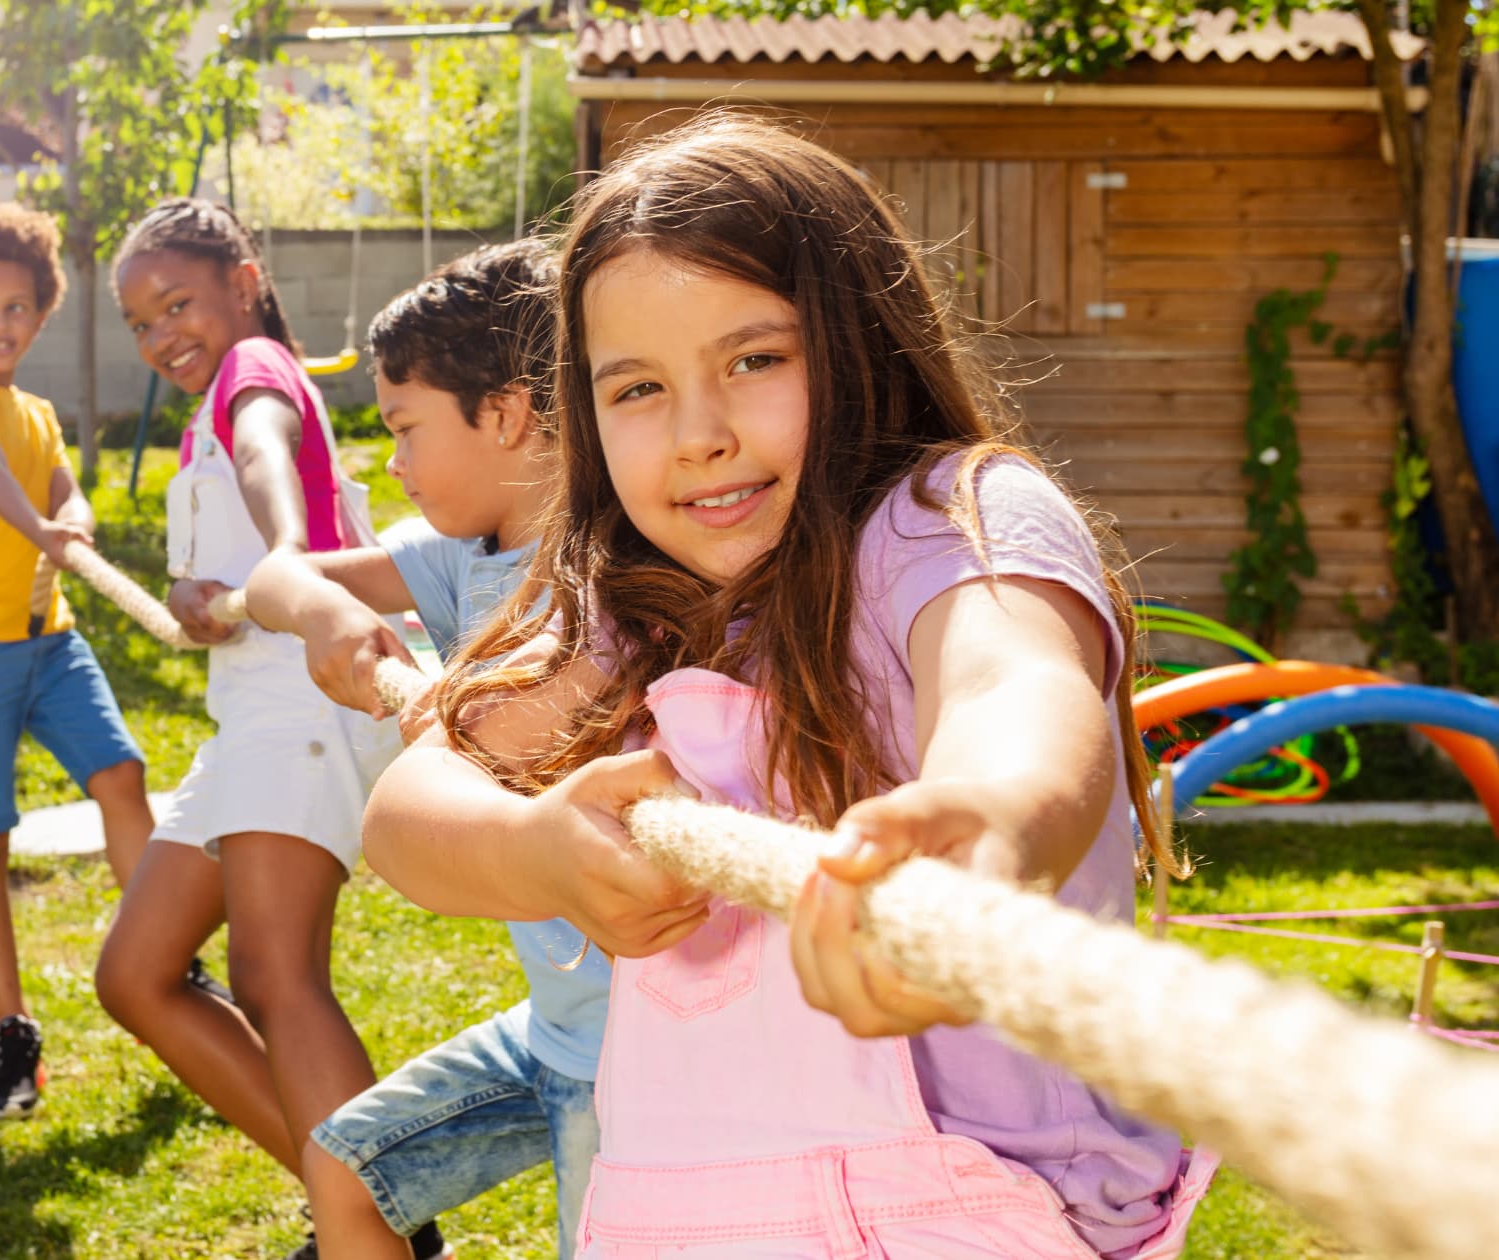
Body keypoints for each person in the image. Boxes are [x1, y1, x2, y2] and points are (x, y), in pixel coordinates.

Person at [363, 116, 1218, 1259]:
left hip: (987, 1212)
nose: (698, 436)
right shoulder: (625, 603)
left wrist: (989, 822)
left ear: (863, 346)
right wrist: (532, 848)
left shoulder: (950, 519)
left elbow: (1011, 681)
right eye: (636, 388)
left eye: (754, 361)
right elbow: (409, 813)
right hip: (687, 1210)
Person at [241, 240, 607, 1260]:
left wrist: (457, 708)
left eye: (405, 428)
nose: (392, 463)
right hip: (555, 1028)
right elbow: (275, 582)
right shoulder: (464, 558)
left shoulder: (614, 573)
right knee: (346, 1169)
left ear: (506, 413)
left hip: (633, 1056)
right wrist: (322, 613)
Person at [92, 199, 441, 1259]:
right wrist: (200, 594)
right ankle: (375, 1207)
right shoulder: (204, 412)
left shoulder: (254, 370)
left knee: (273, 977)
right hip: (248, 714)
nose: (161, 335)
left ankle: (373, 1229)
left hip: (304, 698)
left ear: (243, 283)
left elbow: (266, 457)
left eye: (177, 304)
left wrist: (287, 552)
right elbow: (229, 526)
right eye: (140, 323)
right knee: (136, 973)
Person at [0, 197, 192, 1120]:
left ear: (40, 312)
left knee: (122, 773)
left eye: (16, 307)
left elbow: (66, 492)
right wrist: (41, 528)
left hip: (49, 640)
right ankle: (14, 1029)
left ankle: (169, 960)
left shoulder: (35, 411)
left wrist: (75, 521)